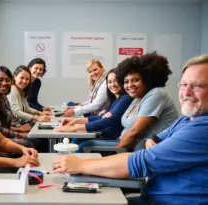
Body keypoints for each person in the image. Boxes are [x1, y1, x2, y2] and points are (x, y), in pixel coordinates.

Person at [53, 55, 208, 205]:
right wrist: (150, 145)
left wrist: (80, 165)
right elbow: (151, 140)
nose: (186, 92)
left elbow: (141, 154)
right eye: (184, 85)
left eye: (198, 86)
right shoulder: (186, 120)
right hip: (151, 193)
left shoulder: (202, 128)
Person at [75, 52, 178, 149]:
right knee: (80, 142)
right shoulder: (136, 98)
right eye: (126, 81)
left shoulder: (156, 94)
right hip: (122, 143)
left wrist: (114, 153)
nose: (130, 85)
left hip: (137, 150)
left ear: (146, 80)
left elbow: (134, 132)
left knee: (84, 145)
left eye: (135, 80)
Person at [56, 69, 133, 152]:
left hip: (113, 139)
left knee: (82, 146)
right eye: (110, 82)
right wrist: (74, 121)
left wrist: (74, 128)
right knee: (77, 139)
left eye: (116, 81)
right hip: (106, 135)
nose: (112, 84)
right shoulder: (115, 99)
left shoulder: (125, 99)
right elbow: (102, 118)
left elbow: (108, 120)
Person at [0, 66, 40, 148]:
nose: (4, 83)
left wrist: (40, 113)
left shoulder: (4, 96)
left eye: (7, 80)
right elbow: (0, 129)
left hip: (11, 130)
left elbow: (27, 108)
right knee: (32, 141)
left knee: (37, 134)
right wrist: (20, 132)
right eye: (0, 80)